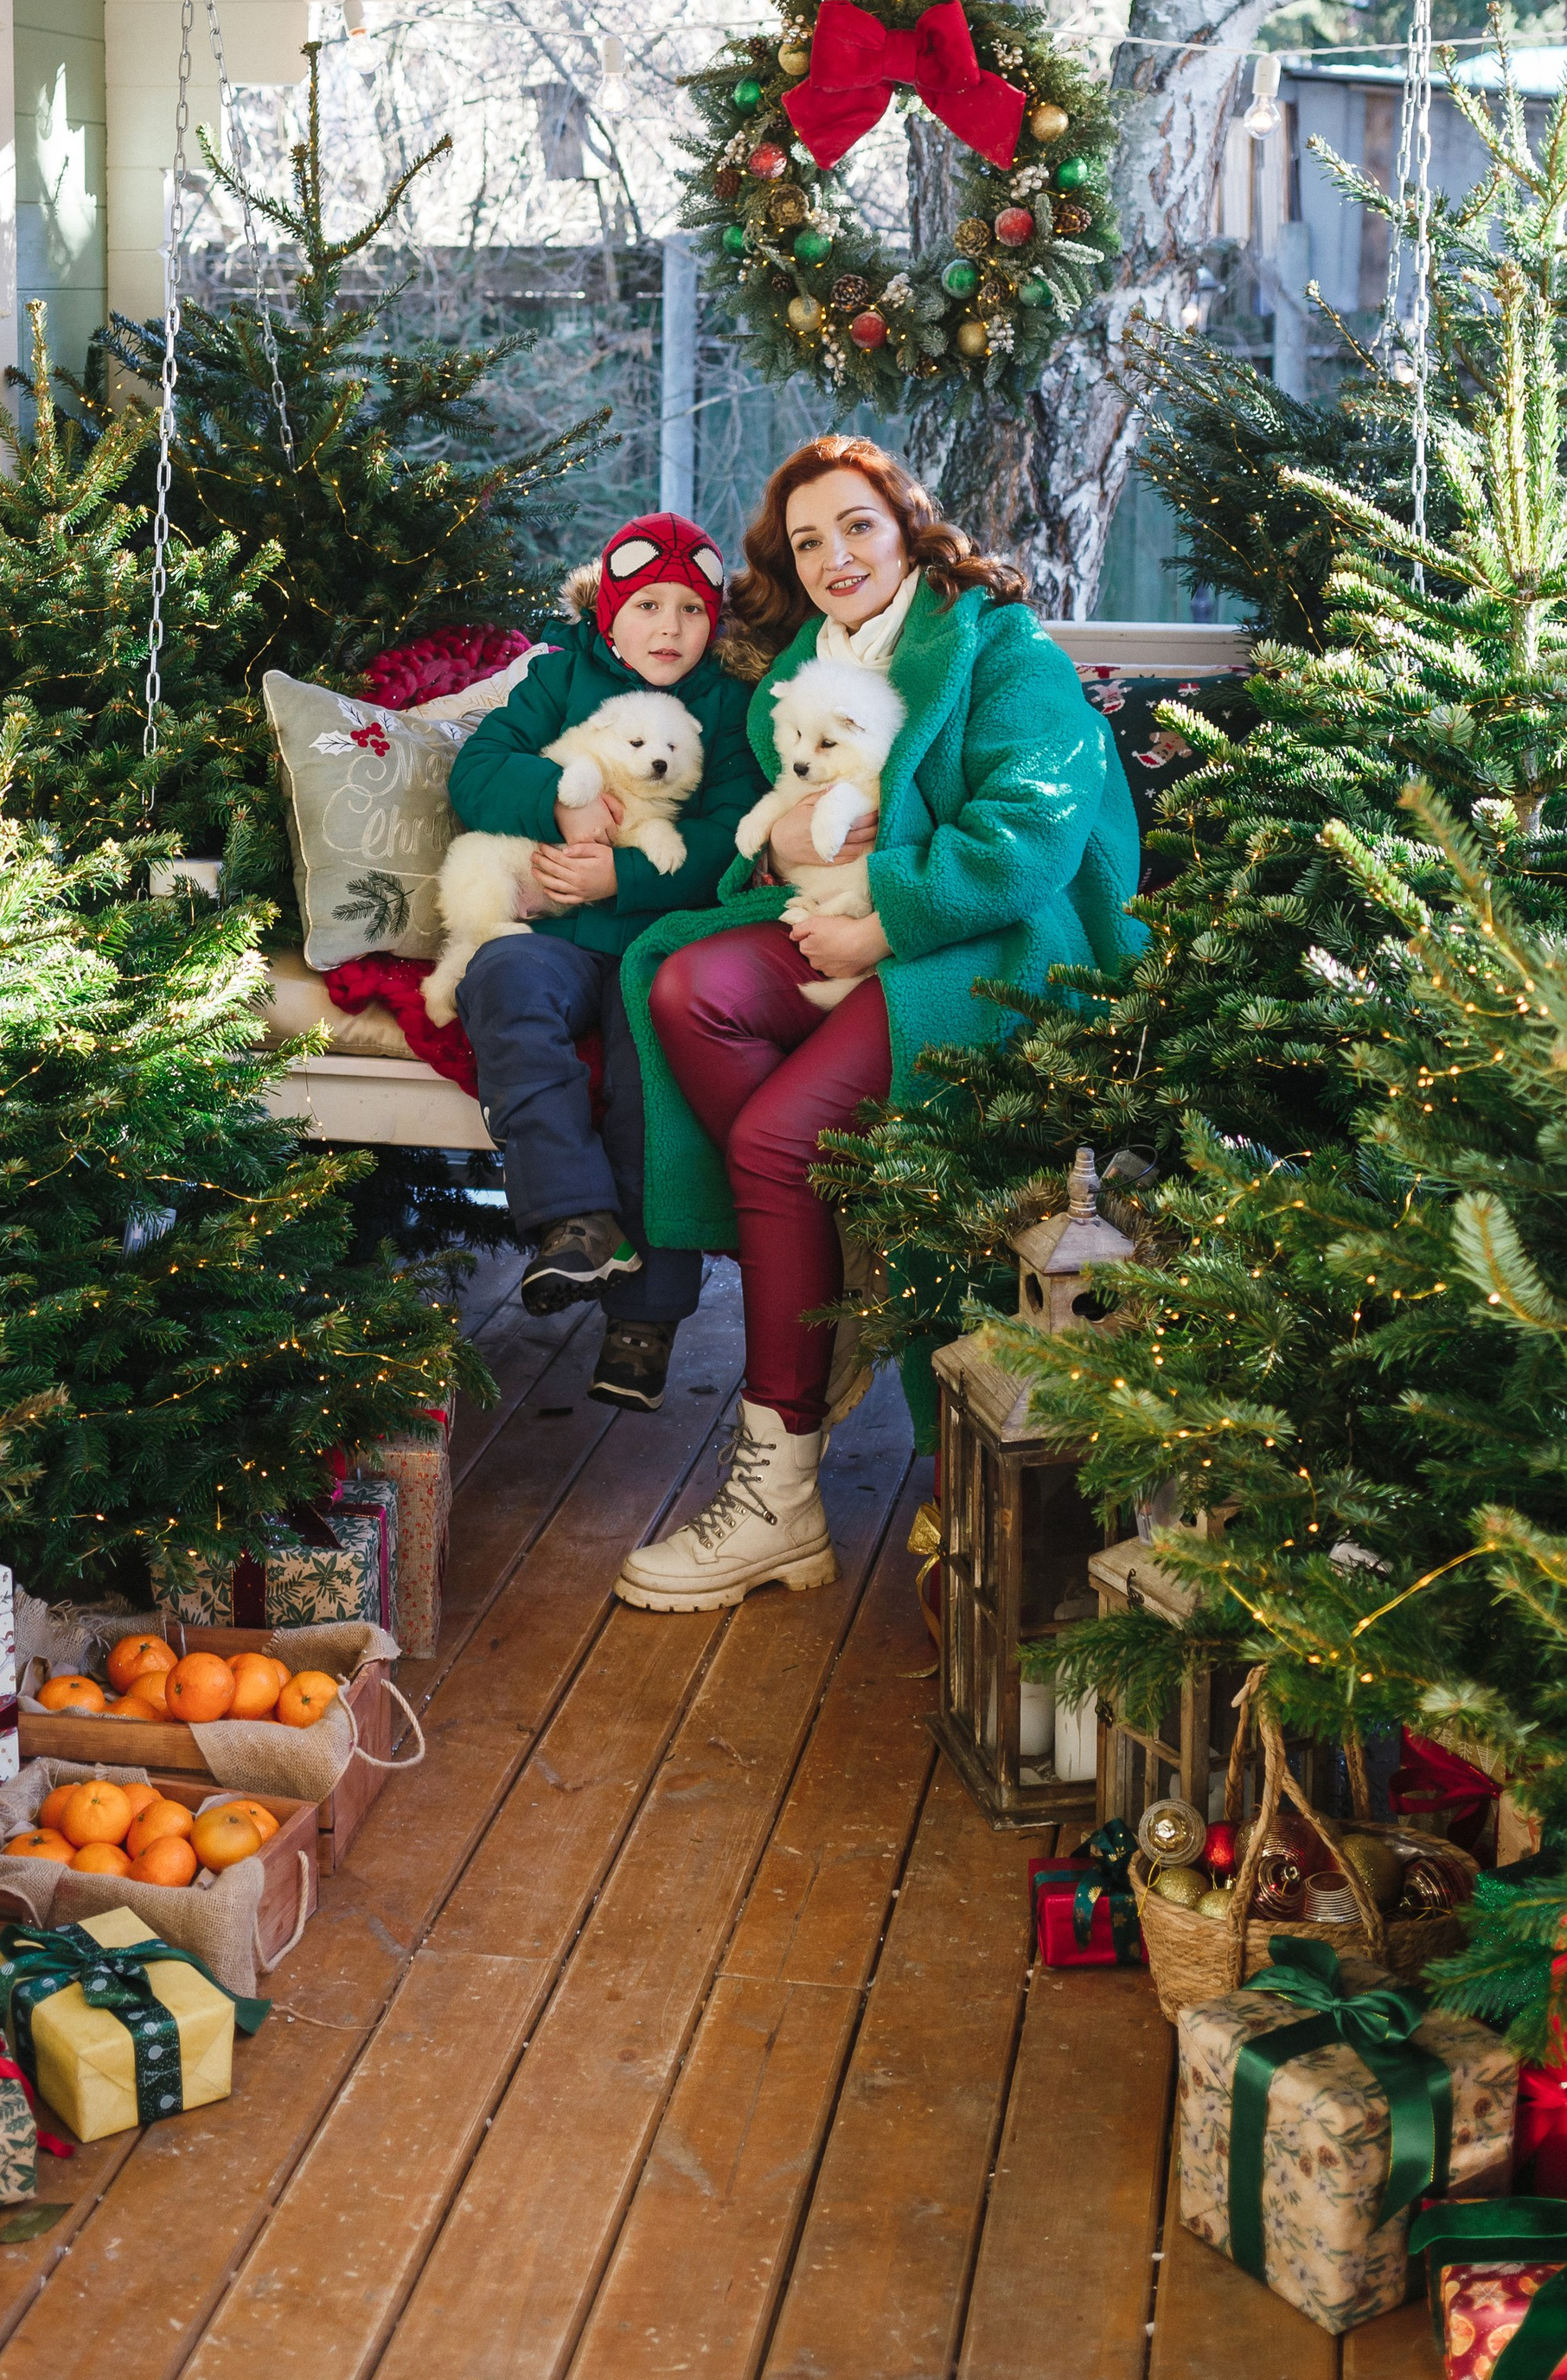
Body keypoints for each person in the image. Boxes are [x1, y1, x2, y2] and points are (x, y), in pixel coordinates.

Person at [612, 435, 1142, 1609]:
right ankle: (838, 1236)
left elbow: (1031, 837)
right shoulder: (802, 673)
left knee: (775, 1143)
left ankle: (779, 1494)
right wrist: (782, 848)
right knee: (685, 988)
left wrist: (884, 923)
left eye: (857, 525)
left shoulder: (1003, 651)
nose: (835, 556)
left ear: (907, 527)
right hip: (847, 927)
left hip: (992, 948)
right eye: (808, 542)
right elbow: (780, 830)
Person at [446, 511, 768, 1412]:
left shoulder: (729, 704)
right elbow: (477, 771)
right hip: (552, 937)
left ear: (715, 622)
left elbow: (733, 836)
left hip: (657, 941)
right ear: (608, 615)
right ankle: (576, 1220)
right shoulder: (557, 678)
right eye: (647, 607)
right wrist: (559, 803)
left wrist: (618, 876)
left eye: (691, 611)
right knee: (500, 982)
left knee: (648, 1083)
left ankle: (646, 1315)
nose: (669, 629)